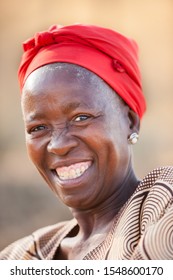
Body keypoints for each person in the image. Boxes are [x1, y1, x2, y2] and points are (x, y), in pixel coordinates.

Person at [0, 23, 173, 260]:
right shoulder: (21, 256)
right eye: (38, 127)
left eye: (81, 118)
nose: (58, 145)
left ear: (131, 122)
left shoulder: (163, 205)